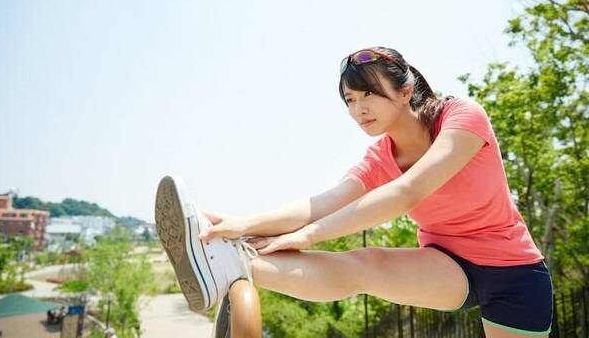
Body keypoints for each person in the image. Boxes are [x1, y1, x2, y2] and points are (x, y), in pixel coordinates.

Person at [155, 46, 553, 338]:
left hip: (514, 272)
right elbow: (323, 204)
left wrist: (308, 236)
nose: (358, 109)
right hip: (446, 262)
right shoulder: (380, 156)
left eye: (368, 95)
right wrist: (243, 225)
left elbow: (408, 192)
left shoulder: (461, 117)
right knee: (365, 263)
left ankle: (230, 259)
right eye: (350, 100)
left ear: (404, 90)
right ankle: (231, 263)